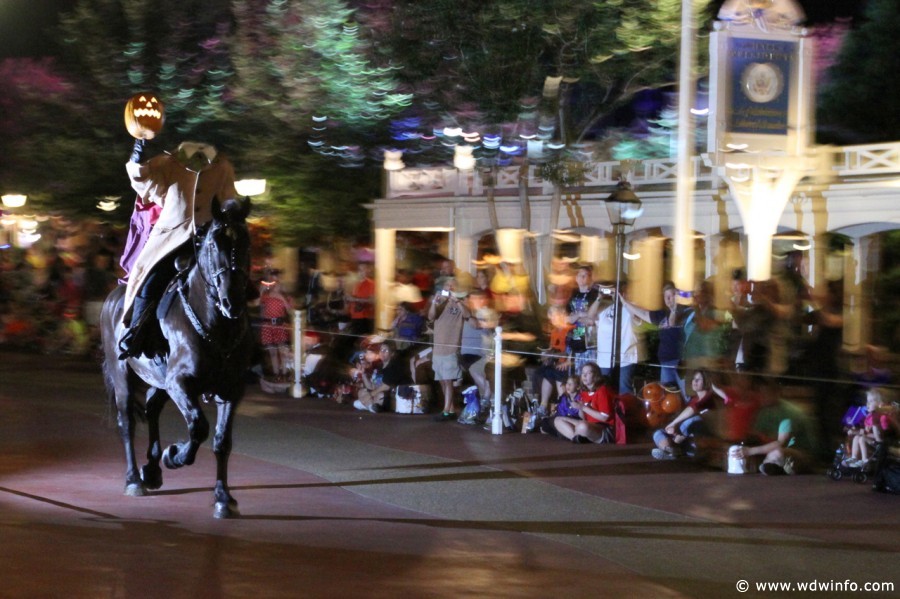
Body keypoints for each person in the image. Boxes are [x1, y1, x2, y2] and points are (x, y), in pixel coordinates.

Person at [117, 139, 238, 359]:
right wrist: (137, 159)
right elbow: (144, 183)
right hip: (171, 239)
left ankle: (243, 342)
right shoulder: (167, 163)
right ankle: (136, 332)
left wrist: (232, 215)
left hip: (208, 240)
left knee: (234, 279)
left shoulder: (223, 167)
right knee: (151, 281)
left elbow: (228, 199)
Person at [733, 377, 816, 475]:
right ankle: (774, 466)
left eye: (766, 392)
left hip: (801, 454)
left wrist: (750, 451)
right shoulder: (763, 413)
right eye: (759, 392)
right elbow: (756, 436)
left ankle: (776, 465)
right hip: (776, 451)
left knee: (778, 453)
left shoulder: (788, 413)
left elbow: (781, 443)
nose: (761, 396)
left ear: (776, 393)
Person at [650, 370, 730, 460]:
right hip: (687, 438)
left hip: (702, 438)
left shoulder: (709, 397)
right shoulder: (693, 399)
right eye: (694, 379)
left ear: (706, 382)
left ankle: (675, 448)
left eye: (698, 379)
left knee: (694, 420)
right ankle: (670, 450)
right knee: (658, 433)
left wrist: (674, 423)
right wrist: (674, 430)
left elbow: (694, 409)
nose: (694, 381)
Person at [620, 282, 686, 388]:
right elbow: (643, 314)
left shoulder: (685, 311)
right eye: (667, 297)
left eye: (672, 295)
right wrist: (625, 303)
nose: (670, 300)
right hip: (666, 361)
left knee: (685, 394)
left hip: (682, 362)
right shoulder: (661, 314)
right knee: (668, 395)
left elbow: (672, 322)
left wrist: (674, 309)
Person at [428, 278, 471, 421]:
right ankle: (451, 409)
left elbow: (467, 315)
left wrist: (457, 300)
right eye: (447, 286)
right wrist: (435, 302)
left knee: (448, 380)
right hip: (438, 348)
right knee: (441, 379)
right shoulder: (441, 302)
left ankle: (446, 411)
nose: (450, 287)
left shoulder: (461, 303)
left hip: (451, 347)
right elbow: (431, 316)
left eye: (452, 285)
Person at [554, 362, 617, 444]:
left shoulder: (602, 390)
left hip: (603, 428)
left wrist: (583, 407)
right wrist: (579, 408)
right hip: (589, 424)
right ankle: (577, 438)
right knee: (558, 420)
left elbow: (604, 417)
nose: (584, 376)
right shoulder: (584, 393)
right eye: (583, 373)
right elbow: (583, 417)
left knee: (582, 426)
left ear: (596, 376)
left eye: (588, 373)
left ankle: (578, 437)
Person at [564, 265, 604, 375]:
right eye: (579, 275)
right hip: (574, 337)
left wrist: (578, 315)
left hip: (589, 339)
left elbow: (593, 318)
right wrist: (581, 315)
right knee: (574, 372)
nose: (581, 278)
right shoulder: (572, 294)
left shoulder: (595, 294)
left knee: (589, 371)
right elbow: (568, 318)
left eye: (584, 275)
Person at [844, 388, 894, 468]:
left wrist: (869, 432)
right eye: (867, 401)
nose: (867, 404)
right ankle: (854, 458)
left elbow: (883, 435)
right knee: (857, 437)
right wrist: (855, 431)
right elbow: (866, 431)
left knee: (862, 439)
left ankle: (865, 460)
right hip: (872, 440)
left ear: (879, 404)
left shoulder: (882, 417)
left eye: (871, 401)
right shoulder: (869, 417)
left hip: (879, 443)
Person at [258, 275, 294, 381]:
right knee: (272, 352)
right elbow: (258, 304)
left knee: (283, 351)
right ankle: (276, 373)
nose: (275, 284)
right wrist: (261, 291)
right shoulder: (266, 295)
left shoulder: (286, 297)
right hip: (268, 325)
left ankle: (284, 373)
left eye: (277, 281)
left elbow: (290, 311)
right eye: (273, 282)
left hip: (279, 324)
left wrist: (281, 298)